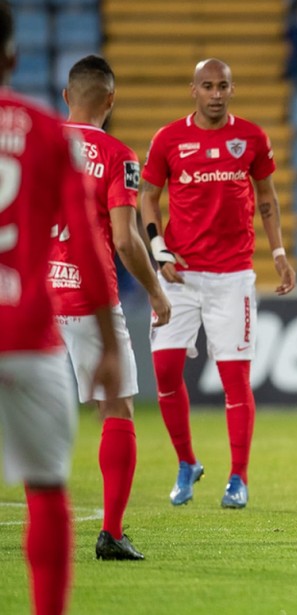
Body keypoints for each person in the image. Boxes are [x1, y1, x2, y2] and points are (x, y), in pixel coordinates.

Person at [0, 3, 121, 612]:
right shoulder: (45, 132)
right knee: (48, 488)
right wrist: (110, 339)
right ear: (13, 59)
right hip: (32, 328)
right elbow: (100, 247)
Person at [140, 58, 296, 510]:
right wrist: (157, 249)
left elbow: (266, 198)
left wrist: (280, 255)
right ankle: (187, 462)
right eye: (207, 86)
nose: (215, 93)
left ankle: (237, 477)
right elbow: (148, 196)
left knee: (234, 378)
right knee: (166, 371)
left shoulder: (251, 138)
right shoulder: (169, 139)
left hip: (232, 276)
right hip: (180, 276)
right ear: (193, 89)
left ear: (232, 88)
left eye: (222, 85)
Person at [49, 55, 172, 561]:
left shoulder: (34, 141)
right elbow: (124, 241)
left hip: (30, 297)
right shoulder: (118, 154)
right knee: (116, 408)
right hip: (86, 298)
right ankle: (112, 534)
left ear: (65, 97)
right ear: (112, 100)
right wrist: (158, 294)